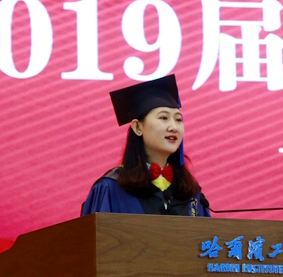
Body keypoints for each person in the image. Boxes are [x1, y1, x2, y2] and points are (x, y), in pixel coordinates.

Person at [81, 74, 210, 217]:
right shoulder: (110, 188)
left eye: (178, 119)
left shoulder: (190, 193)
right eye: (163, 118)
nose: (174, 127)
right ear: (137, 127)